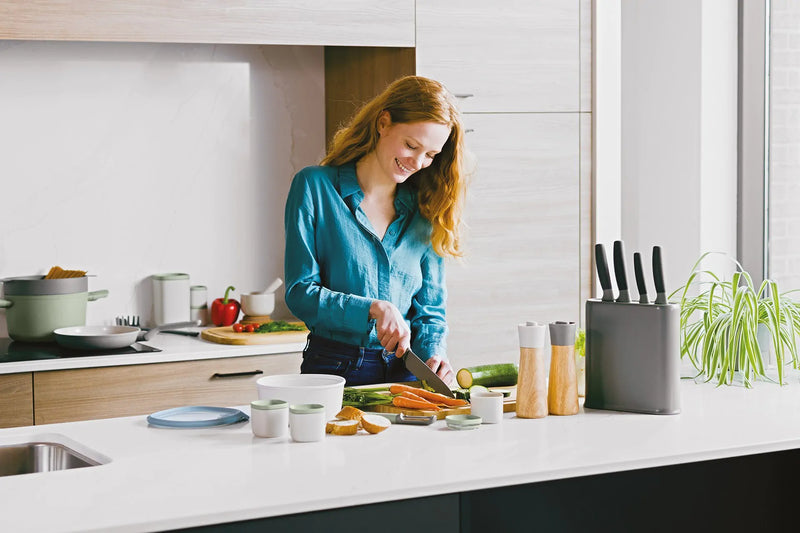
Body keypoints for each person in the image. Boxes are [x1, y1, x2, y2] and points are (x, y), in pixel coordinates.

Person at [283, 75, 467, 387]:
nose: (418, 162)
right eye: (411, 145)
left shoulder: (426, 209)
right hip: (334, 370)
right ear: (383, 123)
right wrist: (372, 308)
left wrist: (435, 355)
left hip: (407, 372)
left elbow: (430, 311)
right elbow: (300, 293)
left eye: (431, 155)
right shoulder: (314, 187)